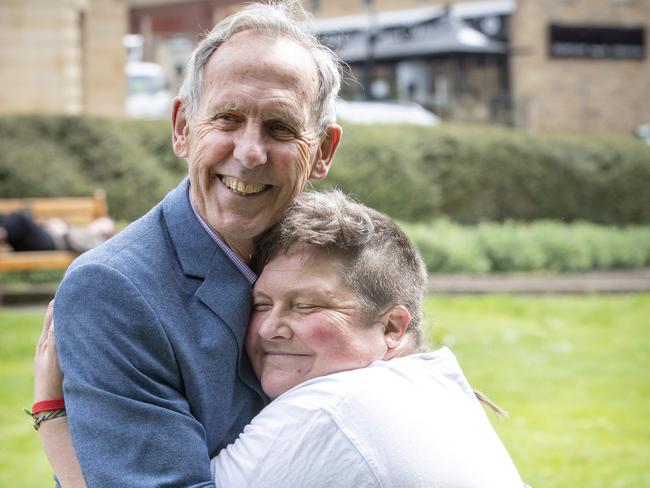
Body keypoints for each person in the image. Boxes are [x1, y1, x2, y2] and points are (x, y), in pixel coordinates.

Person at [34, 190, 524, 487]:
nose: (269, 328)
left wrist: (52, 415)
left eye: (307, 305)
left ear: (392, 327)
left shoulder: (329, 412)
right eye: (262, 304)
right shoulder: (435, 386)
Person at [46, 2, 342, 486]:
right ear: (183, 128)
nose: (249, 153)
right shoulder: (112, 292)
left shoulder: (345, 260)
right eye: (227, 119)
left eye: (280, 128)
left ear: (323, 151)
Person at [0, 211, 114, 254]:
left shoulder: (97, 242)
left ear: (104, 232)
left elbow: (81, 248)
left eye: (101, 223)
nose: (96, 222)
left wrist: (64, 230)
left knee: (21, 219)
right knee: (11, 218)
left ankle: (3, 233)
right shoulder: (86, 232)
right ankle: (4, 233)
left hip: (52, 243)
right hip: (47, 236)